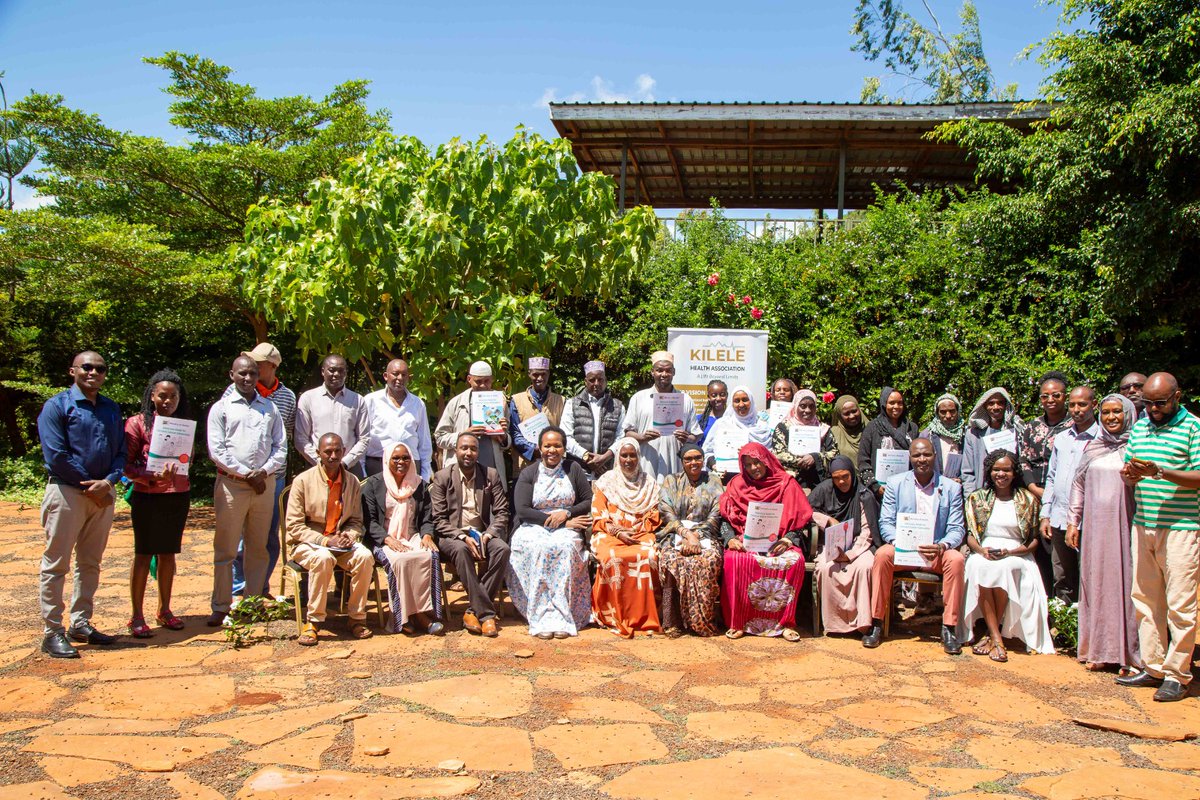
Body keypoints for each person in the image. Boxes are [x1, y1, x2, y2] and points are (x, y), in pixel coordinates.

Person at [37, 351, 126, 658]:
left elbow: (121, 452)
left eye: (100, 369)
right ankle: (52, 631)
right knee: (56, 563)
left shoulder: (111, 409)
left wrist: (109, 481)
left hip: (102, 494)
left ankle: (81, 622)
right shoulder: (57, 406)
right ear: (72, 370)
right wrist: (90, 484)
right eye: (87, 367)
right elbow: (56, 455)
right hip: (67, 493)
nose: (93, 373)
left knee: (90, 563)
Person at [1117, 372, 1200, 702]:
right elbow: (1130, 472)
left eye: (1160, 403)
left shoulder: (1193, 427)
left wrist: (1160, 471)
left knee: (1180, 603)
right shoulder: (1140, 426)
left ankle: (1178, 675)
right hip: (1144, 523)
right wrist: (1130, 474)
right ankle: (1153, 667)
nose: (1153, 409)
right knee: (1146, 600)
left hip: (1181, 527)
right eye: (1148, 403)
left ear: (1177, 396)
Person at [863, 438, 966, 654]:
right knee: (882, 555)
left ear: (935, 457)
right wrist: (898, 543)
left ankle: (949, 628)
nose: (922, 459)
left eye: (926, 455)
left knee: (956, 560)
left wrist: (942, 545)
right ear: (910, 458)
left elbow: (957, 528)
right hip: (904, 549)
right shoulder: (895, 483)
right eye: (917, 455)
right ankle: (877, 623)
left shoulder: (951, 488)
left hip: (936, 551)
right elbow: (886, 523)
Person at [207, 355, 286, 626]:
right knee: (226, 548)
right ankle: (221, 604)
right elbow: (217, 450)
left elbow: (280, 447)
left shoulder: (269, 408)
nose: (248, 378)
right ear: (232, 375)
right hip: (232, 485)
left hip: (264, 485)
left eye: (252, 373)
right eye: (242, 374)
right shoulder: (221, 408)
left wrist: (262, 472)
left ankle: (252, 602)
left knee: (258, 547)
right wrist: (246, 474)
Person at [1067, 394, 1141, 674]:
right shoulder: (1094, 447)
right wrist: (1073, 522)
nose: (1111, 418)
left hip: (1126, 527)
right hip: (1095, 530)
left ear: (1128, 414)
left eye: (1117, 412)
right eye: (1107, 412)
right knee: (1095, 585)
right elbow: (1078, 485)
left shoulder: (1138, 448)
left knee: (1126, 586)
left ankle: (1129, 655)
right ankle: (1098, 649)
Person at [959, 449, 1054, 660]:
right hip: (985, 551)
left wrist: (1009, 551)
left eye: (1006, 470)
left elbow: (1033, 542)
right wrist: (982, 551)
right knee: (978, 566)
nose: (1001, 474)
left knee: (1005, 567)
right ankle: (996, 637)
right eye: (996, 470)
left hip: (1017, 553)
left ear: (1014, 472)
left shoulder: (1028, 500)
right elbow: (971, 536)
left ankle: (993, 637)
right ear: (989, 472)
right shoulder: (977, 498)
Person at [284, 433, 375, 645]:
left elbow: (356, 521)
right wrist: (326, 541)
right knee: (323, 558)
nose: (333, 456)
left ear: (344, 451)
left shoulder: (351, 481)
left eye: (337, 451)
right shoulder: (302, 481)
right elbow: (294, 526)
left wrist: (349, 536)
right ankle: (313, 622)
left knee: (365, 556)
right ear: (318, 453)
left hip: (341, 543)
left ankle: (357, 618)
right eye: (328, 452)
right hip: (307, 544)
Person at [719, 442, 812, 641]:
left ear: (766, 460)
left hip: (779, 542)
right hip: (745, 539)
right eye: (748, 464)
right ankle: (739, 622)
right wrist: (729, 540)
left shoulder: (786, 483)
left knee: (794, 561)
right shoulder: (736, 485)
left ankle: (785, 623)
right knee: (734, 560)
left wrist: (788, 540)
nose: (753, 468)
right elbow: (725, 519)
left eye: (757, 462)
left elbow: (801, 521)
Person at [225, 342, 296, 602]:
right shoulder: (233, 392)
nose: (251, 368)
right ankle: (237, 589)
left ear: (272, 367)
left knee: (268, 536)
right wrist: (246, 472)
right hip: (239, 479)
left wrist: (266, 470)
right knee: (242, 538)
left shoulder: (287, 397)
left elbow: (284, 438)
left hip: (273, 478)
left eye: (258, 363)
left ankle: (259, 587)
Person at [123, 369, 191, 638]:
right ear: (152, 395)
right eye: (162, 396)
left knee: (168, 554)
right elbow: (125, 465)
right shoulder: (136, 424)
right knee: (143, 554)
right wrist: (150, 476)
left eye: (173, 397)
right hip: (147, 496)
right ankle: (136, 615)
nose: (168, 401)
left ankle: (165, 609)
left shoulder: (183, 425)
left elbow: (188, 459)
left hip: (177, 496)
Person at [508, 427, 593, 639]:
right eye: (547, 446)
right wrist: (557, 523)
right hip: (533, 525)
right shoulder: (529, 473)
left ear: (564, 448)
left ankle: (563, 615)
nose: (552, 450)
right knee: (540, 547)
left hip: (567, 522)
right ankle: (540, 616)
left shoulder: (573, 469)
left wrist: (566, 513)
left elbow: (588, 500)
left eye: (557, 445)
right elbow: (523, 510)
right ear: (540, 448)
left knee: (564, 547)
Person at [429, 432, 512, 636]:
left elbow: (502, 512)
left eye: (473, 449)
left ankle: (472, 611)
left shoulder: (490, 475)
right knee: (461, 550)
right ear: (455, 450)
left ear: (478, 452)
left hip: (481, 534)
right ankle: (486, 615)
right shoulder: (443, 477)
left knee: (502, 549)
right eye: (464, 448)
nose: (468, 452)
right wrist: (462, 536)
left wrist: (489, 533)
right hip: (452, 536)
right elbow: (438, 520)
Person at [361, 441, 443, 635]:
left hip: (413, 535)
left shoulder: (419, 485)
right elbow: (369, 521)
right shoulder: (373, 485)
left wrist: (427, 535)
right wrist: (388, 539)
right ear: (387, 460)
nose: (401, 462)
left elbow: (427, 517)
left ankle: (422, 613)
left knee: (428, 555)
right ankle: (405, 617)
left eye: (406, 458)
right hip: (385, 538)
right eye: (395, 458)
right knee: (401, 560)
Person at [591, 437, 664, 637]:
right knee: (611, 558)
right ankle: (613, 615)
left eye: (633, 455)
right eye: (624, 455)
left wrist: (638, 528)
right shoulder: (606, 482)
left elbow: (655, 515)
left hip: (641, 533)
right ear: (618, 458)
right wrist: (618, 531)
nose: (628, 460)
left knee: (649, 557)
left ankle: (644, 616)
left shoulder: (649, 483)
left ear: (639, 458)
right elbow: (598, 514)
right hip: (609, 534)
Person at [1039, 386, 1100, 603]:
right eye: (1073, 405)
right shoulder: (1062, 438)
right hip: (1059, 517)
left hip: (1090, 521)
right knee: (1062, 576)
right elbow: (1052, 477)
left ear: (1094, 405)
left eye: (1082, 404)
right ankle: (1064, 629)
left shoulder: (1103, 439)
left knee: (1090, 575)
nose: (1076, 409)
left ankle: (1089, 628)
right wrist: (1045, 514)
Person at [658, 444, 725, 637]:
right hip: (675, 535)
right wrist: (686, 534)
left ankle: (701, 621)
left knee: (708, 560)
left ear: (703, 460)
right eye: (688, 459)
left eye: (697, 458)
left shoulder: (713, 481)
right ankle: (673, 622)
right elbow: (665, 510)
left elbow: (716, 513)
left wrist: (696, 535)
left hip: (706, 535)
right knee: (672, 560)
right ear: (682, 462)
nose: (693, 462)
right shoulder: (671, 481)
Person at [809, 455, 879, 635]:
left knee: (864, 567)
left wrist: (850, 555)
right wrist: (827, 520)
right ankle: (834, 625)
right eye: (836, 478)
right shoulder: (824, 490)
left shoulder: (864, 495)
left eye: (845, 476)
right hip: (829, 543)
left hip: (859, 545)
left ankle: (862, 624)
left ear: (852, 475)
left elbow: (867, 530)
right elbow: (807, 510)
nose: (841, 481)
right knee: (826, 568)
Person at [624, 351, 701, 482]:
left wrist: (687, 438)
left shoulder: (685, 399)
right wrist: (642, 437)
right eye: (659, 370)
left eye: (668, 371)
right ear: (652, 372)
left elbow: (696, 434)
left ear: (674, 372)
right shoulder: (639, 398)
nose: (664, 374)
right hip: (646, 463)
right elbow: (627, 433)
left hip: (675, 463)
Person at [434, 361, 512, 490]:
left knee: (490, 508)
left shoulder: (499, 403)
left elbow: (507, 441)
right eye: (478, 381)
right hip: (461, 474)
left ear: (492, 380)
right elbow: (439, 437)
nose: (483, 385)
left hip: (490, 472)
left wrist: (502, 437)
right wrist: (464, 435)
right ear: (469, 379)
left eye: (487, 381)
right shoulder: (456, 403)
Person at [295, 354, 371, 478]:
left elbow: (364, 438)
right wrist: (321, 462)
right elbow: (300, 438)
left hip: (349, 468)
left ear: (346, 373)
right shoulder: (308, 398)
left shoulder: (357, 400)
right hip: (316, 468)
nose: (336, 374)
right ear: (323, 371)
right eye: (331, 370)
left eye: (340, 371)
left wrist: (345, 463)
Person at [363, 359, 433, 480]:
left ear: (408, 378)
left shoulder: (418, 404)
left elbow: (424, 442)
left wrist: (425, 474)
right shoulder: (371, 401)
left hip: (410, 465)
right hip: (377, 465)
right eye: (395, 374)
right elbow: (362, 437)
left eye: (404, 375)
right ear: (386, 376)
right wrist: (362, 470)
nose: (400, 378)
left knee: (410, 499)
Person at [561, 360, 625, 480]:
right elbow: (565, 437)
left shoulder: (618, 406)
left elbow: (621, 437)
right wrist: (586, 457)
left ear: (606, 381)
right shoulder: (572, 404)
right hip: (579, 472)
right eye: (592, 380)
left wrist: (604, 458)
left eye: (600, 379)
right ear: (585, 382)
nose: (596, 383)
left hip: (608, 474)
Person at [858, 386, 920, 500]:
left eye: (900, 403)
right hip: (880, 490)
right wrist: (875, 486)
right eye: (891, 403)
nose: (896, 407)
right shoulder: (873, 427)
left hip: (907, 488)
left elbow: (918, 457)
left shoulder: (912, 428)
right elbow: (863, 460)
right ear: (884, 403)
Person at [1018, 371, 1071, 501]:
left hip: (1064, 493)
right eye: (1045, 396)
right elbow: (1023, 460)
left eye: (1056, 395)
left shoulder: (1074, 426)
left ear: (1065, 397)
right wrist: (1034, 488)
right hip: (1033, 493)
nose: (1050, 400)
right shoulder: (1032, 426)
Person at [962, 387, 1023, 496]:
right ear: (984, 406)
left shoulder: (1017, 430)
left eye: (1000, 403)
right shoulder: (973, 434)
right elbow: (967, 472)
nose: (996, 407)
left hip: (1011, 493)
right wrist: (971, 499)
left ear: (1006, 406)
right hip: (982, 493)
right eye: (991, 403)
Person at [703, 385, 772, 480]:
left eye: (745, 399)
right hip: (727, 478)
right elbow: (707, 451)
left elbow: (771, 455)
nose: (741, 404)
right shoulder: (722, 424)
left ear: (751, 401)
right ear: (732, 403)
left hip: (757, 480)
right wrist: (715, 466)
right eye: (736, 401)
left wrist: (752, 453)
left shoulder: (762, 425)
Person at [773, 389, 838, 490]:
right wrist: (802, 461)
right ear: (795, 406)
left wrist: (815, 458)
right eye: (802, 406)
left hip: (818, 483)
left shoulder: (823, 429)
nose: (807, 410)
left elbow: (834, 454)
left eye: (811, 406)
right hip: (790, 483)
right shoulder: (783, 428)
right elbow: (779, 453)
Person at [509, 356, 567, 469]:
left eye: (543, 374)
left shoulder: (561, 401)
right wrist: (533, 449)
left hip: (555, 465)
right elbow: (515, 433)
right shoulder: (516, 400)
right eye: (535, 374)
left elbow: (565, 432)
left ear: (548, 374)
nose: (539, 378)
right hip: (525, 466)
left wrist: (550, 449)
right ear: (529, 374)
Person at [921, 393, 966, 480]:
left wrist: (960, 479)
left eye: (952, 411)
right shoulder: (927, 435)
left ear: (958, 411)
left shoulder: (966, 434)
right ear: (937, 413)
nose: (948, 416)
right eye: (943, 412)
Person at [829, 395, 865, 467]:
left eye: (854, 411)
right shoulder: (833, 433)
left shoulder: (871, 429)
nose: (852, 416)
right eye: (846, 414)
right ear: (840, 416)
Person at [695, 379, 729, 448]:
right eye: (714, 395)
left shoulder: (733, 419)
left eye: (722, 395)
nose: (718, 398)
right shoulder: (699, 420)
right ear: (708, 397)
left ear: (727, 395)